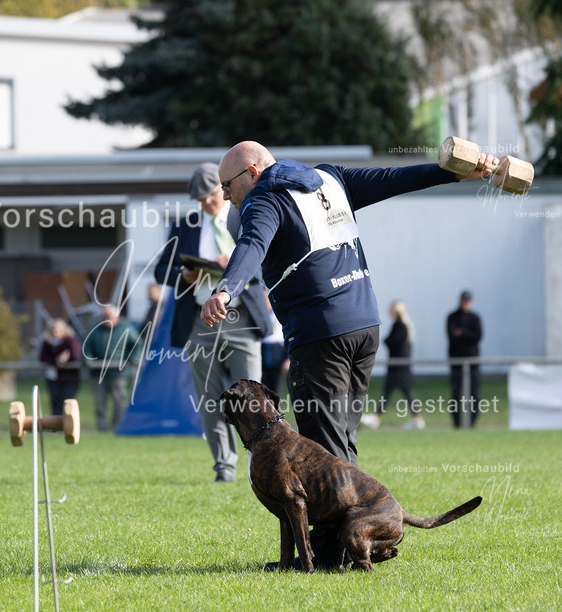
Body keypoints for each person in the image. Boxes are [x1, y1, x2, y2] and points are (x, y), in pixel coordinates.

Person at [200, 140, 498, 568]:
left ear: (251, 172)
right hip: (364, 325)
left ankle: (332, 553)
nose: (225, 195)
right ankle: (355, 537)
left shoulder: (265, 196)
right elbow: (393, 179)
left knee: (323, 446)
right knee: (340, 442)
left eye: (227, 186)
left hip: (321, 333)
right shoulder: (328, 178)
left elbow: (250, 245)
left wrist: (226, 288)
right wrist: (452, 171)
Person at [154, 162, 271, 482]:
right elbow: (160, 270)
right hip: (198, 322)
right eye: (199, 198)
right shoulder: (184, 227)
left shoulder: (247, 215)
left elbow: (264, 260)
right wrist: (185, 273)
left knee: (250, 396)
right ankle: (224, 466)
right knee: (209, 397)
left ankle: (257, 465)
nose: (206, 202)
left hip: (241, 318)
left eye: (210, 195)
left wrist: (231, 262)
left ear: (224, 188)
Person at [362, 300, 423, 430]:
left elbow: (391, 341)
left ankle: (415, 418)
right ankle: (415, 418)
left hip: (399, 367)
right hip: (399, 366)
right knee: (394, 392)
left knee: (398, 392)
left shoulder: (400, 325)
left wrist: (387, 340)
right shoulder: (403, 325)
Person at [83, 304, 143, 431]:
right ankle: (101, 428)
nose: (106, 318)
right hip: (98, 374)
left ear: (117, 316)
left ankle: (117, 427)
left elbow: (137, 345)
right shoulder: (95, 330)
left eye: (109, 316)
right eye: (104, 316)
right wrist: (87, 359)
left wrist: (134, 359)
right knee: (100, 403)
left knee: (119, 403)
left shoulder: (126, 329)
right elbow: (87, 348)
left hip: (119, 374)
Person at [446, 290, 482, 428]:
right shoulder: (452, 317)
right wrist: (467, 336)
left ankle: (471, 423)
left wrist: (462, 333)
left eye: (468, 302)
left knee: (474, 395)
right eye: (463, 301)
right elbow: (452, 336)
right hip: (456, 362)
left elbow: (477, 336)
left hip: (473, 363)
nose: (466, 304)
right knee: (456, 394)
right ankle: (457, 423)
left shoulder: (475, 318)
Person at [38, 318, 82, 416]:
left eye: (58, 328)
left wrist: (66, 359)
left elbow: (76, 355)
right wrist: (57, 360)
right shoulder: (48, 342)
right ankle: (56, 426)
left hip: (69, 378)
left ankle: (68, 425)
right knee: (55, 401)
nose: (55, 331)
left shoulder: (70, 340)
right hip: (53, 379)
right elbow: (42, 357)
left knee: (66, 402)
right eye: (54, 328)